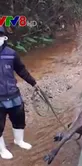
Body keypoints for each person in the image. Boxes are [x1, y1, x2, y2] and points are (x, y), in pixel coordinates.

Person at [0, 26, 38, 159]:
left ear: (4, 38)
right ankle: (2, 149)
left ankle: (19, 141)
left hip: (13, 94)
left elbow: (21, 70)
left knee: (19, 119)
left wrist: (33, 82)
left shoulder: (11, 53)